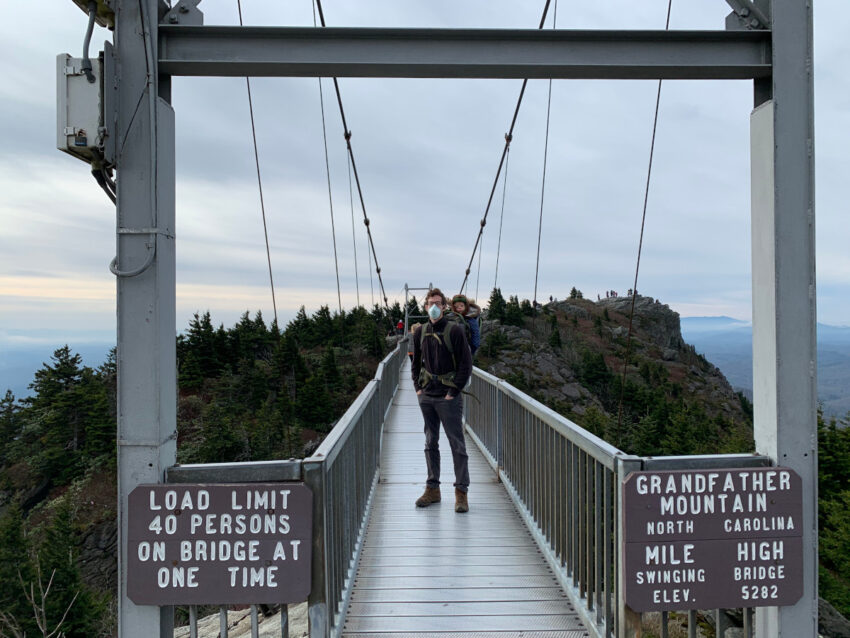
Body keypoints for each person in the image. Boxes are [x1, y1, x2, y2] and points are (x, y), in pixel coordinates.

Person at [412, 288, 472, 513]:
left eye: (438, 303)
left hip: (448, 396)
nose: (434, 307)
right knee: (430, 442)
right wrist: (418, 389)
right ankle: (432, 489)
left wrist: (453, 391)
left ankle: (461, 493)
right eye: (430, 303)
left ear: (444, 307)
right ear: (426, 307)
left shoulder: (455, 331)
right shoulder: (420, 332)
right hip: (427, 395)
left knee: (457, 444)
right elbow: (415, 363)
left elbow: (466, 364)